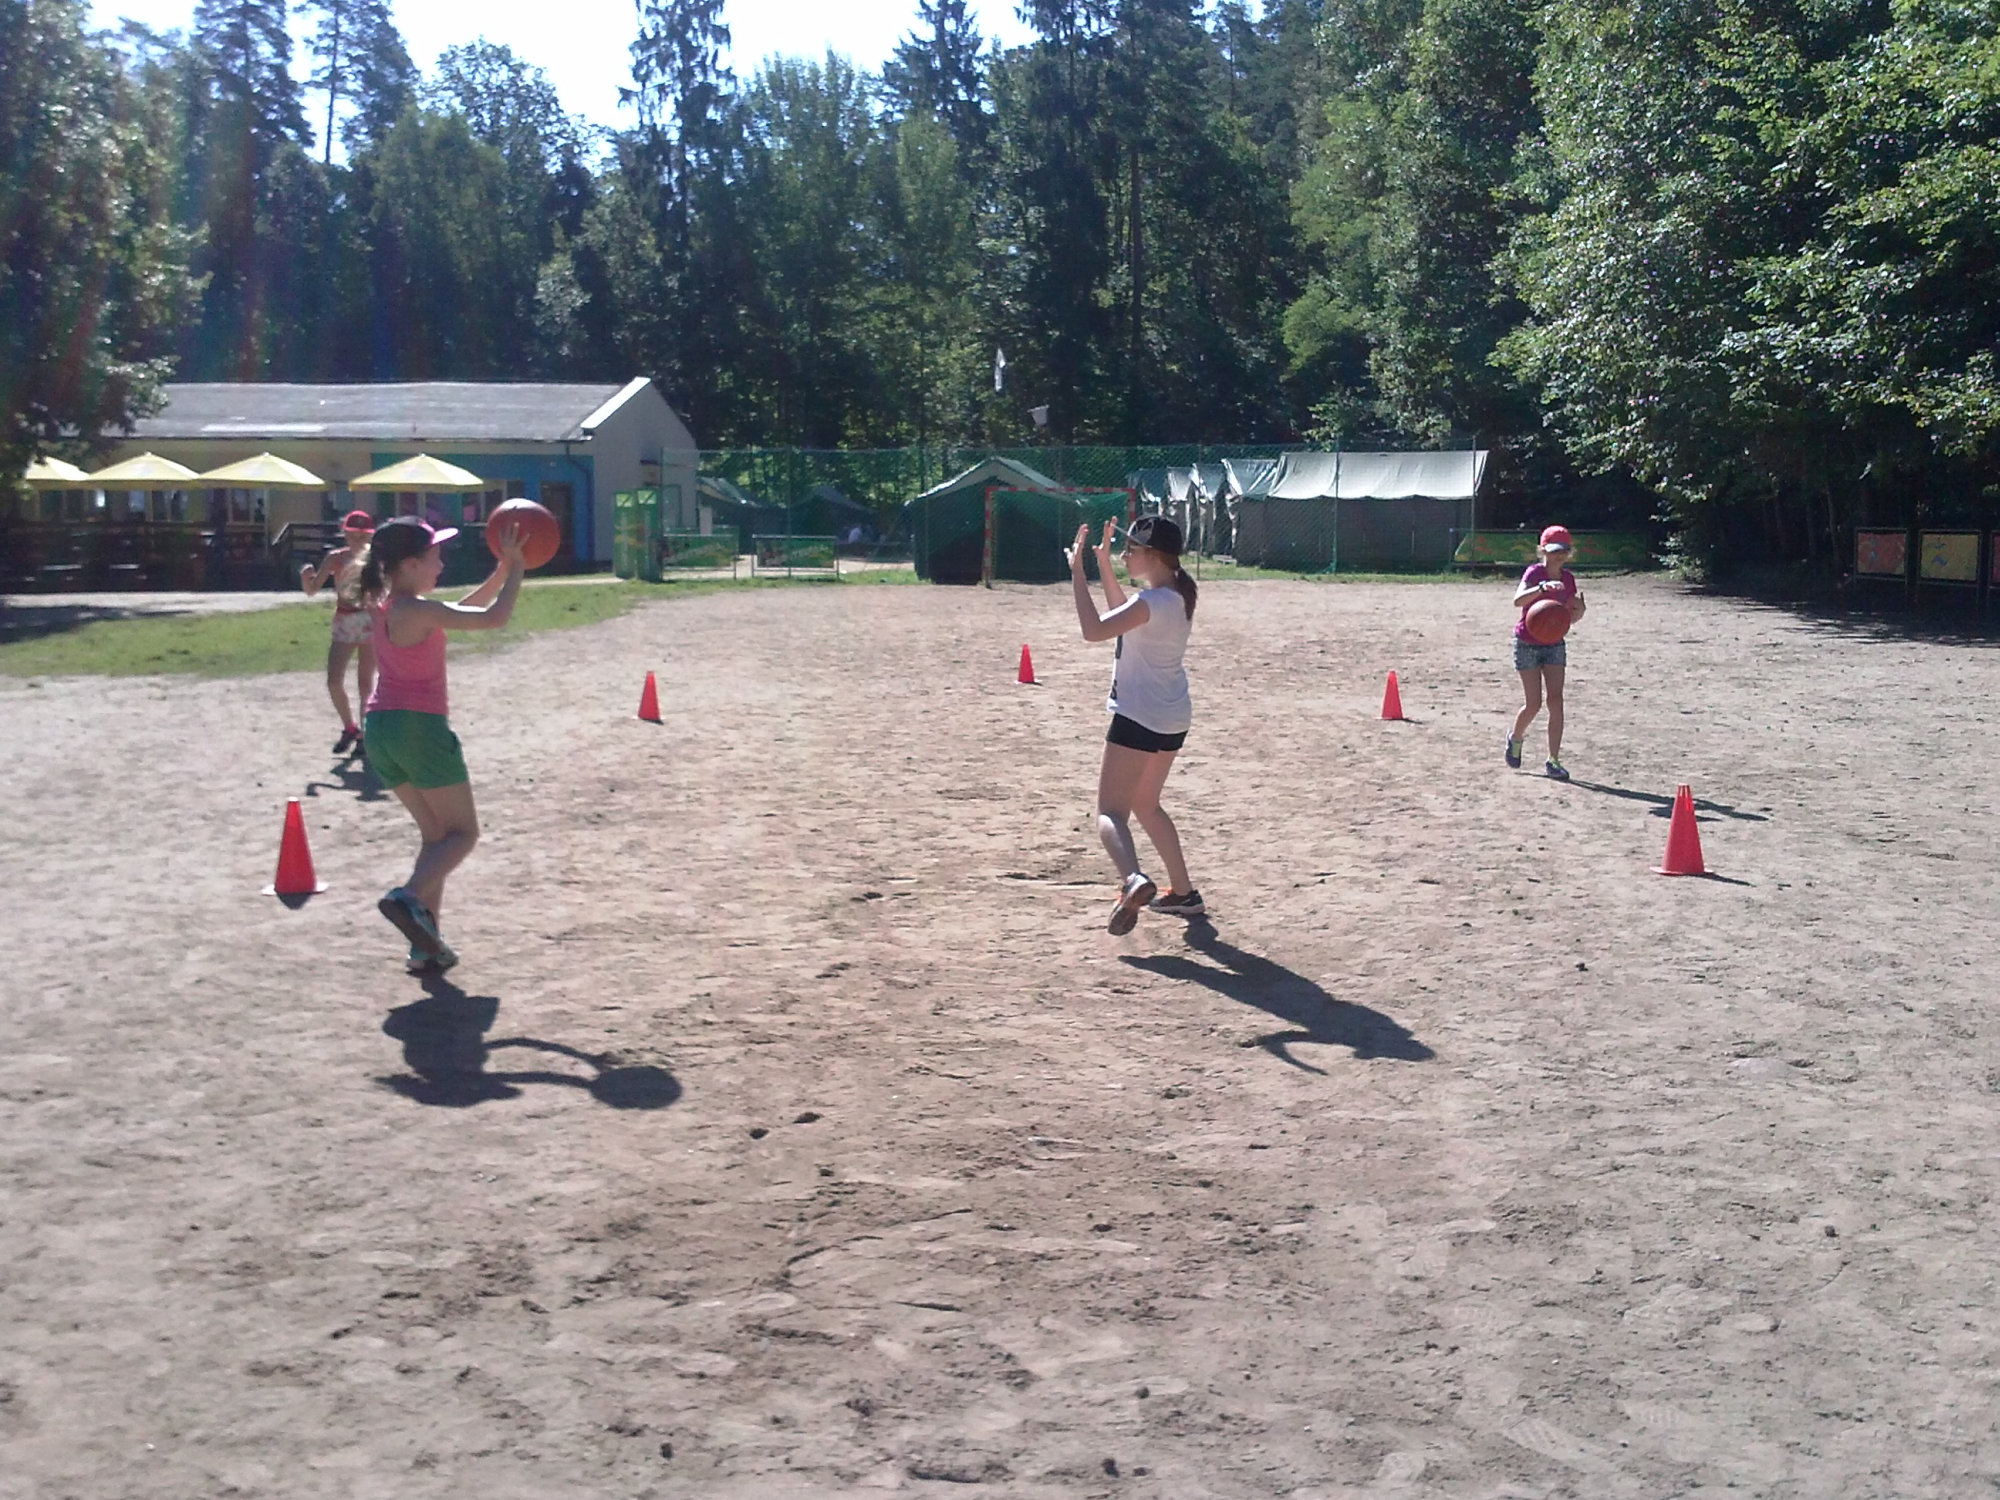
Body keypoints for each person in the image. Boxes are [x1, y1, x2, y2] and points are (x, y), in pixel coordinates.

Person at [358, 515, 526, 975]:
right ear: (410, 564)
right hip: (420, 730)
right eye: (435, 557)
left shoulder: (388, 605)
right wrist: (518, 568)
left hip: (381, 730)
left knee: (436, 838)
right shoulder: (418, 611)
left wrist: (500, 572)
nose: (441, 564)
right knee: (463, 834)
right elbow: (494, 618)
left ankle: (426, 947)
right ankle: (407, 897)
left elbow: (462, 609)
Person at [1067, 514, 1203, 934]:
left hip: (1138, 716)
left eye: (1131, 549)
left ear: (1154, 555)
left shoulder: (1152, 602)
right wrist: (1102, 565)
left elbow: (1094, 630)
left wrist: (1077, 574)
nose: (1125, 555)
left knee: (1110, 812)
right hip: (1171, 717)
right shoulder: (1174, 596)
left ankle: (1133, 879)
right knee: (1146, 804)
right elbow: (1123, 615)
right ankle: (1184, 894)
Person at [1507, 524, 1587, 780]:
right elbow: (1518, 600)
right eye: (1554, 550)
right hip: (1527, 642)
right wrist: (1541, 588)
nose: (1559, 555)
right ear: (1543, 550)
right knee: (1533, 704)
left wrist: (1579, 611)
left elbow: (1566, 616)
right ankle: (1516, 738)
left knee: (1556, 700)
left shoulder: (1568, 579)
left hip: (1554, 643)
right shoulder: (1534, 573)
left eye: (1564, 550)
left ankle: (1553, 760)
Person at [301, 509, 379, 756]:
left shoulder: (375, 559)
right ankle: (349, 727)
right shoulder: (335, 558)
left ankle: (366, 735)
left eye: (363, 536)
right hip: (345, 619)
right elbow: (312, 590)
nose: (357, 540)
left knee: (365, 684)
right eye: (352, 535)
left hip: (368, 620)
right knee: (334, 681)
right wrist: (306, 578)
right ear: (344, 534)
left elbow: (385, 591)